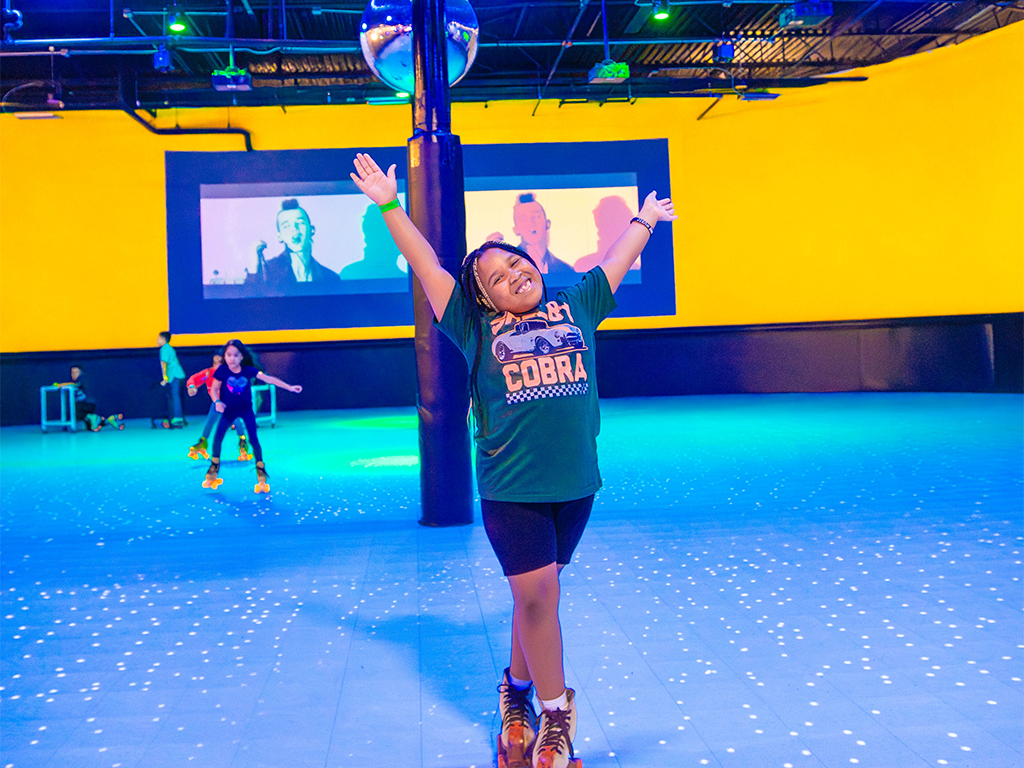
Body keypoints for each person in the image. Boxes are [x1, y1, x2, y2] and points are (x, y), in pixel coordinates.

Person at [351, 152, 675, 768]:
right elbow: (427, 265)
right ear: (486, 301)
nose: (512, 275)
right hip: (512, 490)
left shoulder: (577, 303)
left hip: (578, 486)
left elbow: (615, 260)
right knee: (537, 597)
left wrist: (646, 219)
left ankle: (514, 694)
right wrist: (389, 204)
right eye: (496, 278)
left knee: (540, 601)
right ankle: (557, 717)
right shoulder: (473, 328)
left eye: (515, 263)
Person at [202, 339, 302, 493]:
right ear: (225, 356)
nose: (232, 358)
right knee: (217, 438)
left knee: (254, 439)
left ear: (242, 357)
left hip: (245, 410)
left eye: (236, 355)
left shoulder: (248, 370)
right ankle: (213, 469)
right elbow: (214, 389)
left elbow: (269, 379)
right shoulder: (221, 371)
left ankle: (260, 471)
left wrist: (289, 387)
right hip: (229, 410)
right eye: (229, 355)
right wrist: (216, 402)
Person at [244, 198, 341, 294]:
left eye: (300, 223)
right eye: (286, 226)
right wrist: (253, 266)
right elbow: (249, 302)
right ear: (279, 237)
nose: (294, 229)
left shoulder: (330, 278)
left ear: (312, 230)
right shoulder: (267, 272)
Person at [489, 193, 577, 284]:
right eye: (523, 218)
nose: (531, 223)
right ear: (516, 229)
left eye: (536, 216)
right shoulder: (506, 269)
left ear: (547, 223)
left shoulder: (565, 270)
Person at [186, 352, 251, 462]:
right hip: (216, 403)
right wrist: (192, 386)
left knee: (237, 422)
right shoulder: (208, 373)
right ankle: (202, 444)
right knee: (209, 423)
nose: (217, 366)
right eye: (215, 363)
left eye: (219, 363)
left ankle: (243, 445)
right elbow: (194, 378)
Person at [65, 365, 123, 431]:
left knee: (72, 411)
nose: (73, 374)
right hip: (86, 407)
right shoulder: (78, 382)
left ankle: (91, 417)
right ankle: (109, 420)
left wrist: (59, 385)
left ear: (81, 372)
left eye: (76, 372)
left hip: (87, 405)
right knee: (91, 426)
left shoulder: (82, 378)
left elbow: (73, 385)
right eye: (72, 373)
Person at [157, 332, 186, 429]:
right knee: (176, 396)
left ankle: (177, 420)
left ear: (163, 339)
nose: (157, 340)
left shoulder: (164, 348)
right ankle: (179, 418)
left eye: (158, 338)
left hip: (175, 376)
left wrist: (165, 378)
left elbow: (163, 364)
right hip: (178, 375)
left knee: (175, 397)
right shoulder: (169, 348)